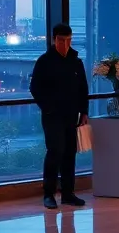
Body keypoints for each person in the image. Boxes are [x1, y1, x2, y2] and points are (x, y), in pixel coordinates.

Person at [30, 23, 89, 210]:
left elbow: (83, 89)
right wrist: (48, 108)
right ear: (54, 40)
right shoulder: (44, 61)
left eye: (69, 40)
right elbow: (35, 88)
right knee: (55, 151)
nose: (65, 44)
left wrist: (84, 112)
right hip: (52, 116)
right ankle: (49, 194)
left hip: (72, 114)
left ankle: (68, 193)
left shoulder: (76, 61)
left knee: (70, 153)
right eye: (62, 40)